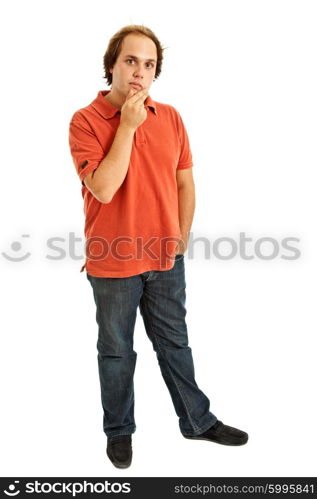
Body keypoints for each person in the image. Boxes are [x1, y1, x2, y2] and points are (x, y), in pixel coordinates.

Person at [69, 24, 248, 469]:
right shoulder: (85, 121)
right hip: (113, 263)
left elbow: (185, 181)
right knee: (116, 351)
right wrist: (127, 126)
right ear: (112, 64)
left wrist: (181, 238)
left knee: (176, 344)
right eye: (131, 61)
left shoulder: (169, 117)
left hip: (166, 258)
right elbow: (105, 188)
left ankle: (197, 421)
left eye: (149, 65)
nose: (139, 72)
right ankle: (120, 432)